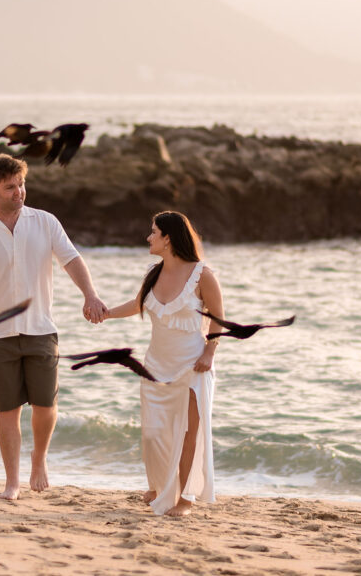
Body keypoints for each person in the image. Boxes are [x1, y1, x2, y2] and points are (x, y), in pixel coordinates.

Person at [0, 153, 108, 500]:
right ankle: (12, 481)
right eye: (10, 187)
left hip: (41, 329)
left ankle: (39, 458)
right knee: (7, 411)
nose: (19, 192)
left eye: (21, 184)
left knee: (46, 405)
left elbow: (71, 259)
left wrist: (90, 295)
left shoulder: (45, 222)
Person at [96, 210, 222, 516]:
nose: (148, 237)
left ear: (168, 238)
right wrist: (106, 312)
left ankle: (185, 498)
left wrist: (209, 352)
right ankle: (158, 485)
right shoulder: (154, 272)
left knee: (190, 433)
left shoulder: (202, 274)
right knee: (154, 433)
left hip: (191, 365)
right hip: (155, 367)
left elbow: (218, 317)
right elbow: (139, 303)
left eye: (154, 232)